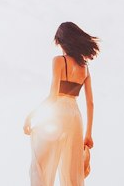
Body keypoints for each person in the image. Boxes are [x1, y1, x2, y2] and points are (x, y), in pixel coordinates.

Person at [22, 22, 96, 185]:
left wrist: (31, 115)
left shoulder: (59, 61)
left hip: (59, 113)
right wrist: (88, 134)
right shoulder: (85, 68)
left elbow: (53, 96)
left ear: (63, 42)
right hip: (76, 116)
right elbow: (90, 103)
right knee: (72, 170)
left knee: (41, 162)